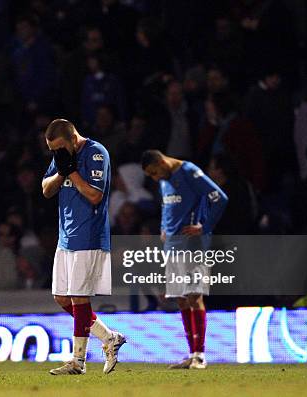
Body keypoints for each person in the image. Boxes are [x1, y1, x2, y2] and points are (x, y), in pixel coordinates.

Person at [41, 119, 126, 375]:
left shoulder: (96, 152)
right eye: (51, 150)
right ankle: (109, 337)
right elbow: (46, 189)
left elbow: (95, 195)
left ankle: (78, 361)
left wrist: (73, 173)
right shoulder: (61, 156)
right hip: (65, 236)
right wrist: (61, 172)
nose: (55, 153)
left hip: (88, 235)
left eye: (58, 148)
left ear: (72, 138)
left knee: (79, 297)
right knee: (61, 297)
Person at [141, 150, 228, 370]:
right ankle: (191, 354)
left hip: (193, 245)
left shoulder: (189, 171)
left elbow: (219, 197)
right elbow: (166, 206)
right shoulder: (163, 180)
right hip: (172, 247)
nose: (155, 177)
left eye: (154, 172)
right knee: (180, 299)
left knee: (193, 296)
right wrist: (163, 227)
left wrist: (204, 227)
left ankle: (200, 355)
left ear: (162, 162)